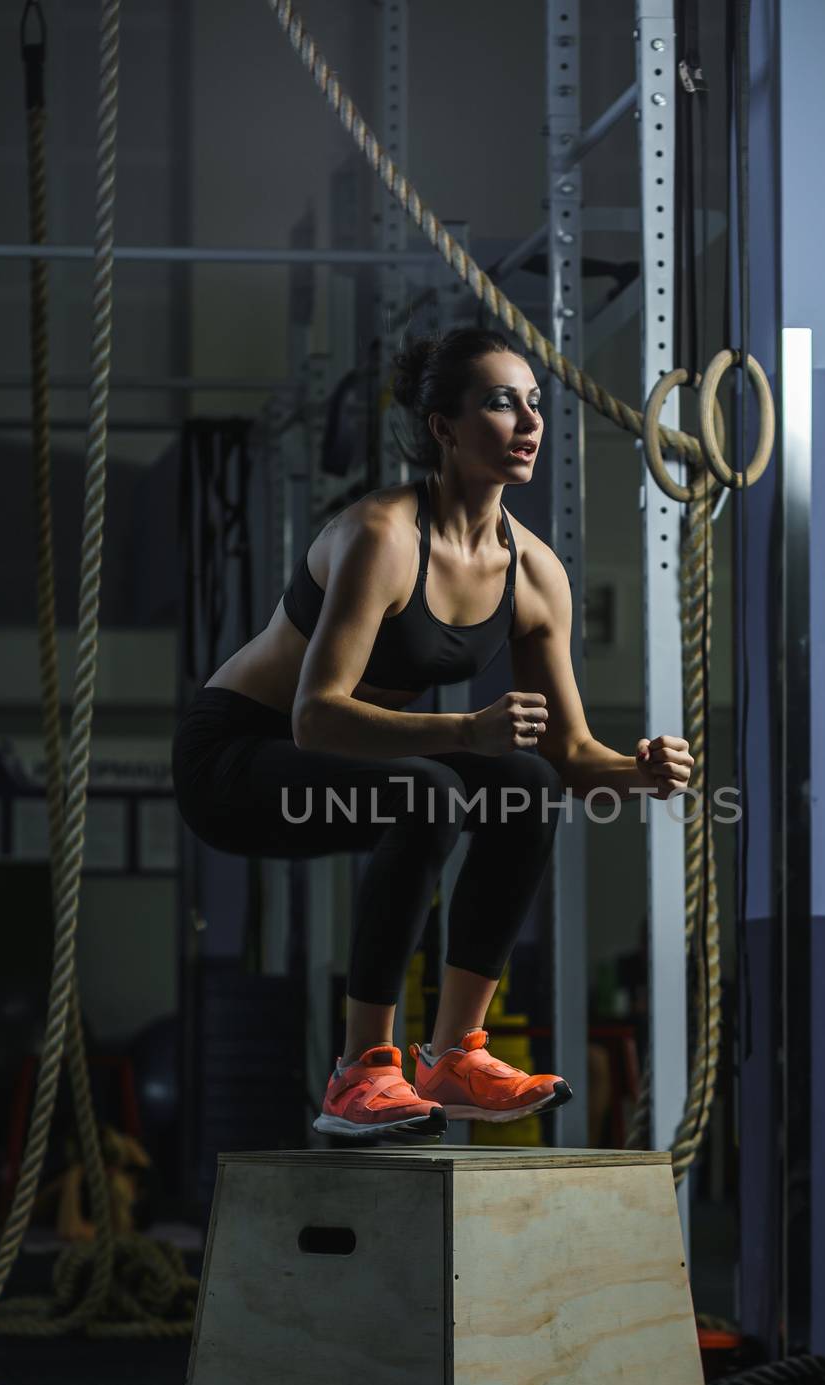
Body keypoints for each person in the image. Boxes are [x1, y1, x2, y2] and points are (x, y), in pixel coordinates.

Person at [172, 326, 694, 1138]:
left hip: (351, 760)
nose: (526, 422)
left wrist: (638, 771)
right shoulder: (381, 536)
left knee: (526, 786)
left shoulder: (534, 572)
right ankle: (359, 1073)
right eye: (498, 402)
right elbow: (314, 715)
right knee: (431, 787)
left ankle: (454, 1056)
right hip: (234, 759)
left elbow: (569, 753)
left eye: (533, 403)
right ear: (443, 429)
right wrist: (464, 728)